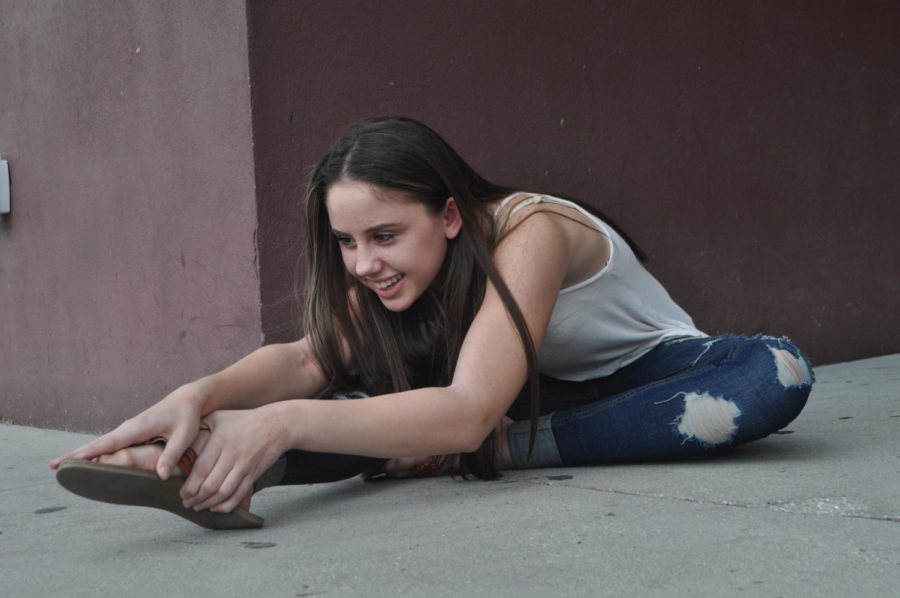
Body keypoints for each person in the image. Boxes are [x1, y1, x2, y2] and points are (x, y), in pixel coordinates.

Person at [51, 116, 814, 529]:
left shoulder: (530, 229)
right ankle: (199, 464)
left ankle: (486, 454)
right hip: (524, 393)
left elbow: (469, 408)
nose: (363, 263)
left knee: (774, 373)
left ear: (450, 214)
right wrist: (204, 395)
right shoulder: (392, 275)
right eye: (346, 243)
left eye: (384, 236)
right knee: (360, 413)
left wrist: (283, 422)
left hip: (655, 383)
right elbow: (307, 360)